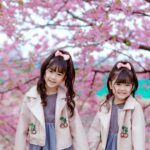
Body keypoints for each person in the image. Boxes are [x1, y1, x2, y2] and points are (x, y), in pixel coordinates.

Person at [14, 50, 89, 150]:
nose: (53, 77)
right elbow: (22, 129)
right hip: (38, 146)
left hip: (62, 146)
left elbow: (77, 129)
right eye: (51, 71)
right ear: (45, 70)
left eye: (59, 74)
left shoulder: (66, 99)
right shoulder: (30, 97)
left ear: (64, 77)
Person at [88, 61, 145, 150]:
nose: (122, 89)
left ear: (132, 86)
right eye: (118, 84)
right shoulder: (105, 105)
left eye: (127, 85)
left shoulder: (134, 108)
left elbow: (138, 137)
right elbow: (95, 131)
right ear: (111, 85)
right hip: (106, 145)